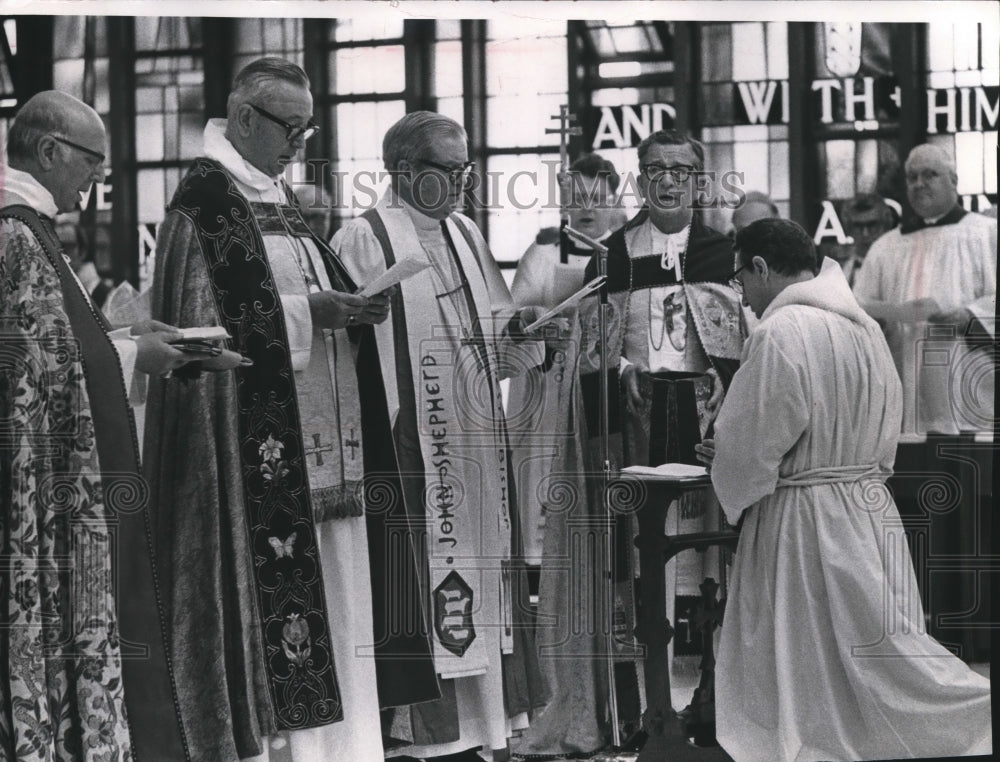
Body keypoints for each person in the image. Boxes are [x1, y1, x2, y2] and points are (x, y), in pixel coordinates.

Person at [143, 58, 436, 762]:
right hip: (258, 465)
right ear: (245, 117)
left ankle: (351, 749)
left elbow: (293, 289)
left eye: (308, 130)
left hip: (332, 458)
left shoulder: (273, 193)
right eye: (290, 129)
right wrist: (312, 313)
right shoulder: (206, 205)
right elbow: (204, 326)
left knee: (345, 598)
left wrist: (352, 305)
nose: (299, 145)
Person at [697, 217, 992, 761]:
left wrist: (727, 460)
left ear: (761, 268)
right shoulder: (866, 329)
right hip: (868, 507)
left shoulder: (780, 332)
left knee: (809, 652)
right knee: (880, 649)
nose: (744, 297)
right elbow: (887, 419)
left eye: (740, 280)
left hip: (802, 515)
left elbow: (753, 442)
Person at [331, 110, 549, 760]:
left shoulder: (465, 232)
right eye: (448, 171)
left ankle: (481, 728)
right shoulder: (364, 238)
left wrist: (528, 327)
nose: (461, 184)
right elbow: (346, 350)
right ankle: (422, 735)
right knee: (421, 576)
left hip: (475, 441)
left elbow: (495, 324)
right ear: (403, 170)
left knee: (484, 576)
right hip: (412, 449)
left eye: (465, 170)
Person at [0, 90, 199, 760]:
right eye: (93, 162)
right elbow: (38, 372)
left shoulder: (33, 230)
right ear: (48, 150)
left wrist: (124, 336)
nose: (98, 179)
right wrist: (138, 356)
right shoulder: (17, 235)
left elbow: (54, 347)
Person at [579, 130, 744, 699]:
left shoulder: (725, 253)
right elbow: (592, 345)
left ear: (699, 181)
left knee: (709, 548)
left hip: (706, 416)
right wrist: (623, 367)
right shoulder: (614, 255)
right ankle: (646, 689)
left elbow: (748, 341)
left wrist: (727, 384)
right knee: (640, 547)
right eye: (655, 169)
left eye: (680, 170)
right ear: (640, 177)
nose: (668, 180)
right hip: (638, 415)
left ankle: (712, 688)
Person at [507, 153, 621, 757]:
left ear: (615, 197)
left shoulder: (629, 251)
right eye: (574, 197)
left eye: (595, 197)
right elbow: (515, 319)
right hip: (553, 398)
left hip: (609, 405)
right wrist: (538, 319)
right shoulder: (545, 250)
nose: (584, 208)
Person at [853, 143, 996, 434]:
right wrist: (879, 319)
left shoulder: (987, 233)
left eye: (930, 174)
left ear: (953, 180)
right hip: (903, 380)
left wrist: (971, 315)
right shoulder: (886, 246)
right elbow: (857, 307)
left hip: (969, 379)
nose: (919, 183)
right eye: (912, 177)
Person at [838, 191, 896, 287]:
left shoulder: (899, 265)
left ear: (885, 225)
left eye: (872, 225)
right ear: (848, 229)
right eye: (858, 226)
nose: (865, 233)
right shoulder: (843, 271)